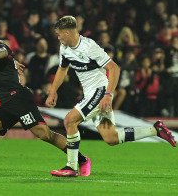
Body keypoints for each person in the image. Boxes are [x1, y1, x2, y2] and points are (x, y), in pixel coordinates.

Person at [0, 19, 92, 177]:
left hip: (19, 99)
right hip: (7, 104)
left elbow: (3, 52)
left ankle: (81, 160)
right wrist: (13, 62)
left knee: (44, 134)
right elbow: (6, 57)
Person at [45, 16, 176, 177]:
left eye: (59, 34)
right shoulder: (64, 48)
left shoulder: (89, 47)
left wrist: (108, 94)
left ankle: (72, 166)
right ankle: (155, 130)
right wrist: (53, 91)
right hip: (91, 94)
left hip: (100, 92)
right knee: (111, 137)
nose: (58, 38)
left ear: (67, 32)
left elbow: (114, 68)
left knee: (69, 120)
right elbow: (62, 69)